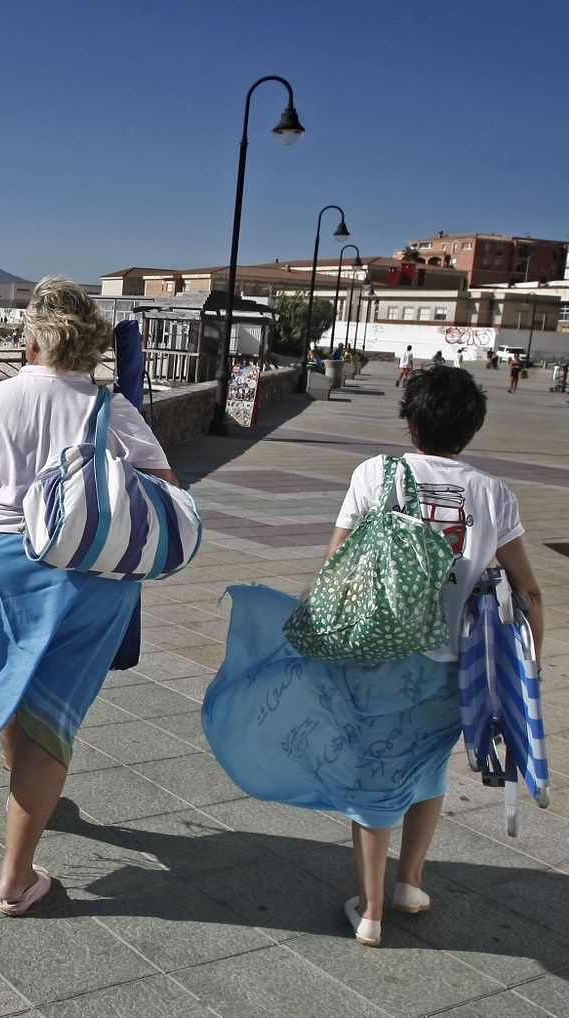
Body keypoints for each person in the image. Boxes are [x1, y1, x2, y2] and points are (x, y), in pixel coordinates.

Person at [203, 366, 545, 948]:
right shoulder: (494, 494)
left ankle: (370, 910)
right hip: (450, 667)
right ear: (472, 426)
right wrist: (530, 664)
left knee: (373, 775)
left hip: (372, 659)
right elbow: (529, 590)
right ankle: (409, 883)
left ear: (410, 422)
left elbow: (335, 564)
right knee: (427, 767)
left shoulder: (374, 474)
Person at [0, 277, 178, 916]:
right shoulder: (112, 410)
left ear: (32, 338)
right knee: (51, 713)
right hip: (84, 579)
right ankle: (16, 875)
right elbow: (164, 489)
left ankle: (21, 789)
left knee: (10, 682)